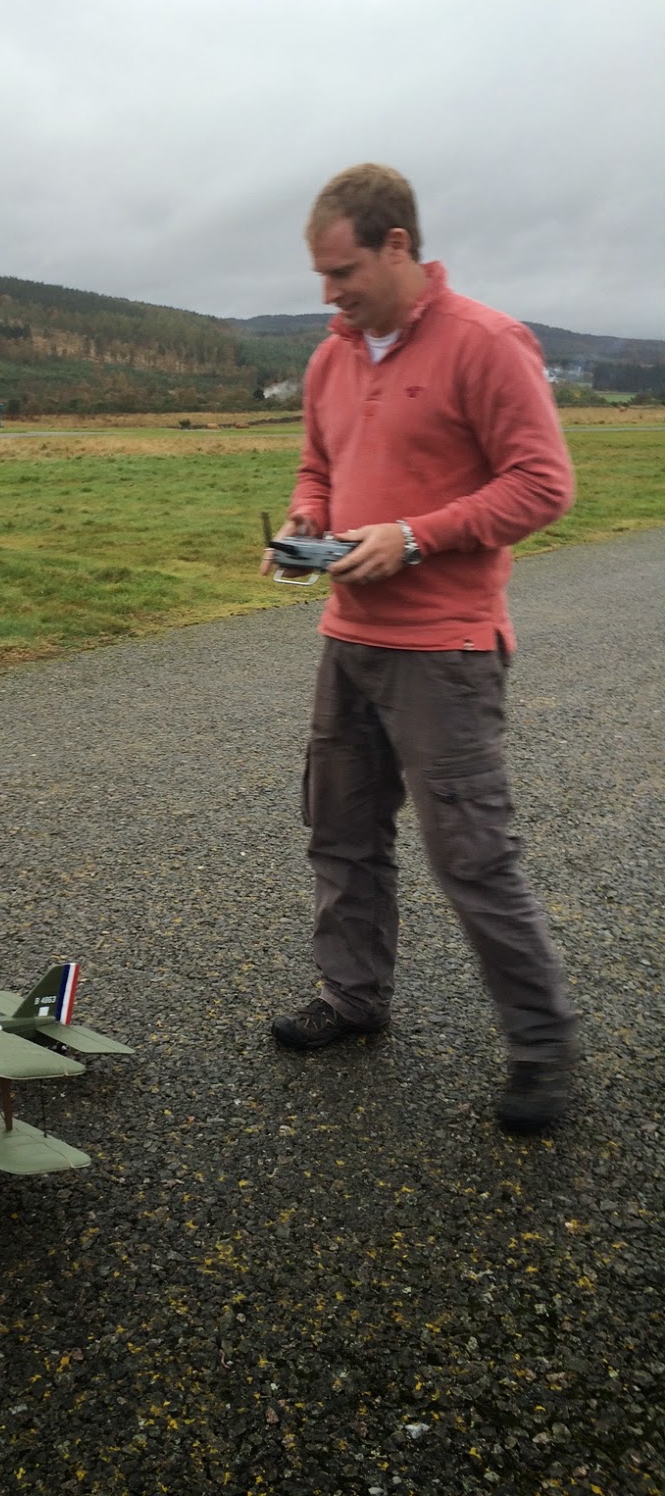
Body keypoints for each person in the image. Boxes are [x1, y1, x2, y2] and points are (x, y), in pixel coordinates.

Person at [263, 163, 578, 1135]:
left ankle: (542, 1050)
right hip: (347, 639)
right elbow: (319, 466)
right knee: (340, 834)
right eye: (321, 276)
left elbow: (543, 485)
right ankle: (353, 998)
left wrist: (412, 535)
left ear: (396, 245)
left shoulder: (487, 343)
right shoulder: (331, 358)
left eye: (343, 271)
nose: (330, 294)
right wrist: (307, 522)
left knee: (473, 856)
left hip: (446, 650)